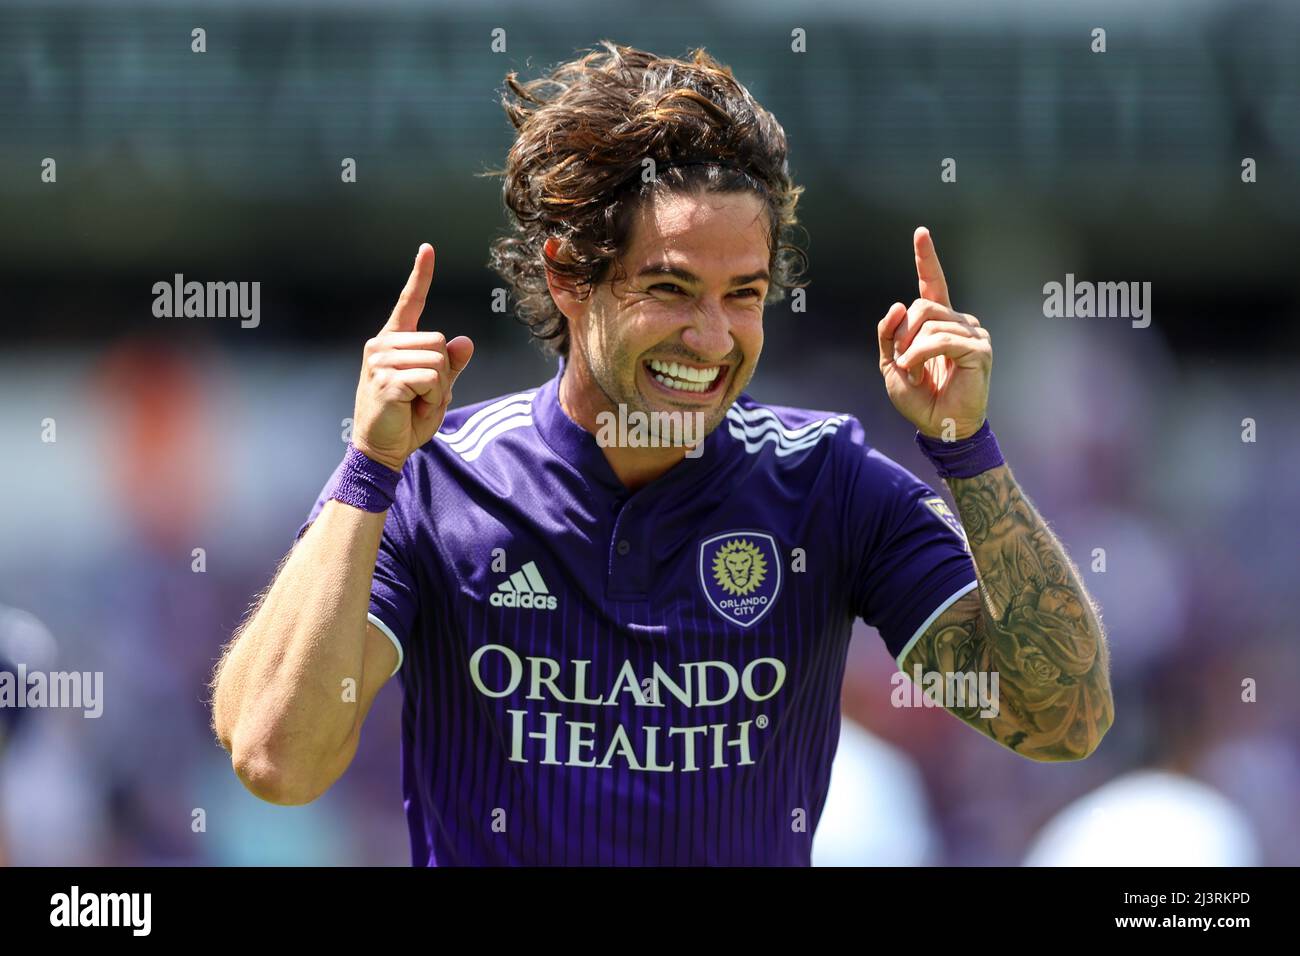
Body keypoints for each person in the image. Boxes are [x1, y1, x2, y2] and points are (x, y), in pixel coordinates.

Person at [210, 41, 1114, 865]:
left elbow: (1060, 721)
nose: (713, 338)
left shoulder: (827, 485)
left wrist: (968, 450)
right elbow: (275, 759)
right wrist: (369, 471)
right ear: (568, 275)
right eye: (671, 288)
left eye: (745, 294)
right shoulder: (437, 480)